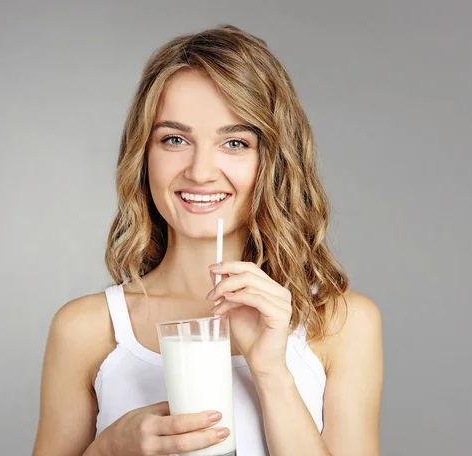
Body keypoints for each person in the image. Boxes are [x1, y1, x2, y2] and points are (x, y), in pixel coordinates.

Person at [32, 24, 383, 456]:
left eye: (234, 142)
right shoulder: (86, 330)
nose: (200, 171)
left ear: (272, 162)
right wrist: (109, 448)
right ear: (144, 156)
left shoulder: (341, 323)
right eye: (174, 139)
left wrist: (271, 371)